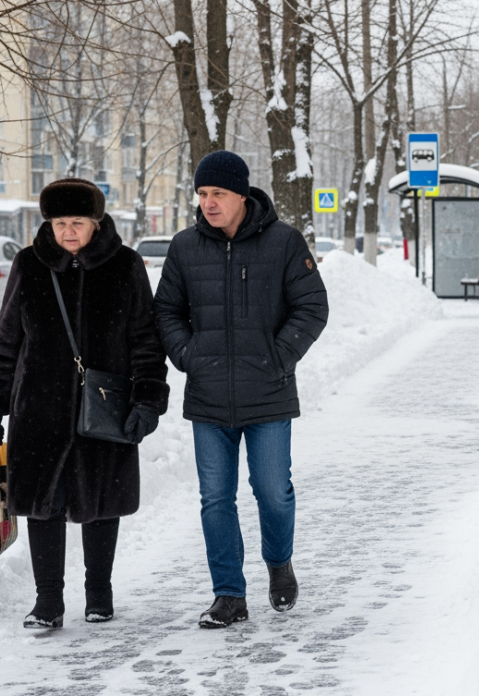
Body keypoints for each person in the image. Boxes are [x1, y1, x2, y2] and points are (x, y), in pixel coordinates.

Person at [0, 178, 169, 629]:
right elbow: (6, 340)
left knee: (100, 502)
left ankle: (99, 593)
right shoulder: (29, 265)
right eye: (60, 222)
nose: (67, 231)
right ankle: (48, 601)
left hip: (105, 407)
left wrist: (147, 399)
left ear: (95, 223)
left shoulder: (124, 266)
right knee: (45, 504)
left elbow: (145, 339)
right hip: (39, 409)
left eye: (77, 222)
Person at [154, 151, 329, 628]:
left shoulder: (284, 242)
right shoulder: (185, 247)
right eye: (203, 194)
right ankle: (229, 594)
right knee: (215, 497)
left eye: (219, 194)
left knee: (273, 491)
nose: (209, 203)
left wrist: (277, 357)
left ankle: (279, 564)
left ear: (242, 195)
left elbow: (312, 306)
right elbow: (166, 311)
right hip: (209, 397)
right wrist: (189, 357)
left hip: (268, 393)